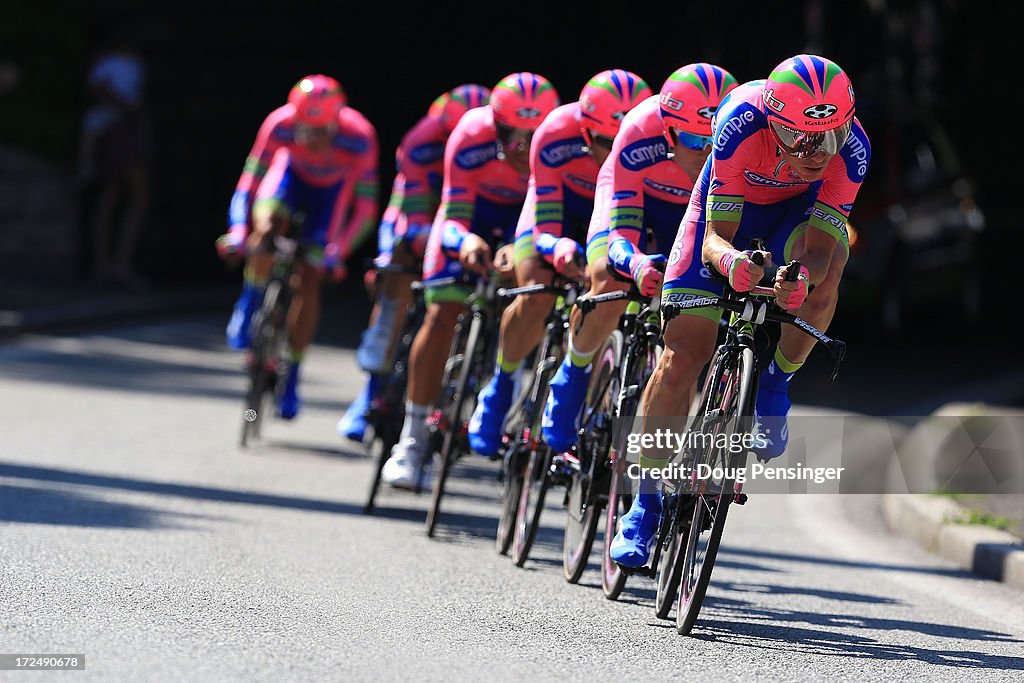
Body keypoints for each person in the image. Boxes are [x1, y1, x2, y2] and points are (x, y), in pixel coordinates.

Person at [610, 54, 871, 566]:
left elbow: (818, 247)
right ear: (775, 126)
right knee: (682, 354)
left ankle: (774, 384)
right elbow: (713, 237)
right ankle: (643, 503)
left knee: (828, 276)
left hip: (796, 216)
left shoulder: (853, 150)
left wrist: (800, 277)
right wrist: (731, 264)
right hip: (725, 218)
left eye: (832, 136)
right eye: (804, 139)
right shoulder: (738, 126)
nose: (820, 153)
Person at [541, 63, 738, 455]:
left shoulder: (738, 139)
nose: (704, 154)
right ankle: (575, 370)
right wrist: (635, 265)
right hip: (636, 204)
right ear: (668, 131)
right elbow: (619, 237)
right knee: (608, 279)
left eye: (713, 142)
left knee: (685, 343)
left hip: (693, 214)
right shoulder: (636, 131)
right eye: (693, 141)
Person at [380, 72, 560, 489]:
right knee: (442, 311)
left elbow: (548, 215)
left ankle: (503, 384)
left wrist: (518, 247)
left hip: (525, 220)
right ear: (496, 128)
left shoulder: (556, 144)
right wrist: (465, 243)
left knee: (538, 296)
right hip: (471, 217)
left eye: (533, 138)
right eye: (515, 138)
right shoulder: (470, 134)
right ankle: (411, 439)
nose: (524, 150)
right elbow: (452, 215)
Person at [466, 69, 652, 457]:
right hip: (560, 214)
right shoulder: (554, 132)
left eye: (623, 138)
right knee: (536, 293)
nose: (616, 148)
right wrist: (559, 250)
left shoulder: (647, 140)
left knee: (620, 296)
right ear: (585, 131)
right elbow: (545, 226)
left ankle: (597, 387)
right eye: (605, 141)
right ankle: (502, 385)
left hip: (619, 209)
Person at [216, 74, 379, 420]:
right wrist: (239, 230)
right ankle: (251, 299)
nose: (312, 138)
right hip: (288, 180)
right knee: (266, 227)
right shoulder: (279, 123)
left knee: (309, 278)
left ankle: (292, 373)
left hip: (330, 196)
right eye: (305, 129)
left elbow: (364, 207)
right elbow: (250, 182)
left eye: (321, 130)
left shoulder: (360, 136)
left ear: (337, 123)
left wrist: (339, 250)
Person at [337, 84, 491, 443]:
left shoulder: (487, 147)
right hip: (417, 214)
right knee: (398, 264)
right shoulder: (421, 141)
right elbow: (415, 207)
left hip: (468, 215)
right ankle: (371, 383)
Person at [79, 30, 150, 290]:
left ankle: (114, 263)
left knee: (116, 197)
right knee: (122, 196)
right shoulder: (110, 62)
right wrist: (125, 108)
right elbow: (97, 88)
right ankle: (110, 264)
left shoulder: (133, 64)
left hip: (123, 129)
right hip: (114, 130)